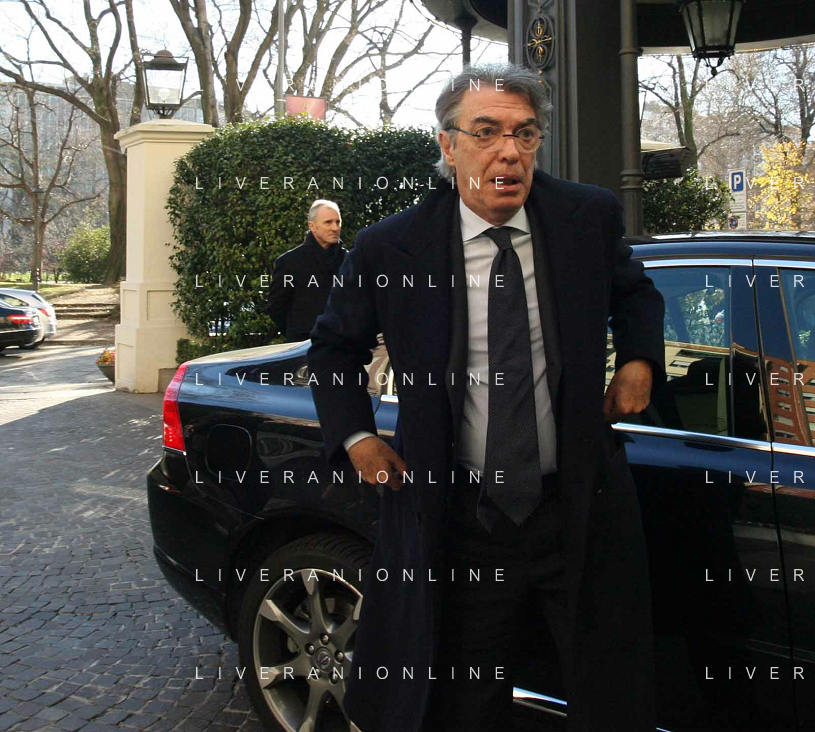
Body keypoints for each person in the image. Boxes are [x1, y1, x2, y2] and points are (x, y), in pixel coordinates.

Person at [306, 63, 667, 732]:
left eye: (525, 134)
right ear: (449, 147)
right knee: (463, 700)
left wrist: (638, 359)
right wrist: (356, 437)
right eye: (487, 132)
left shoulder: (584, 218)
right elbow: (333, 348)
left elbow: (635, 293)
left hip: (576, 504)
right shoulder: (392, 247)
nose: (509, 152)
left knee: (610, 691)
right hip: (460, 517)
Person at [265, 200, 347, 341]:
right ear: (312, 226)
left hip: (345, 344)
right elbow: (276, 308)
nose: (335, 228)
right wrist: (298, 333)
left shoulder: (350, 260)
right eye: (328, 222)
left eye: (338, 222)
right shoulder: (288, 262)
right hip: (304, 345)